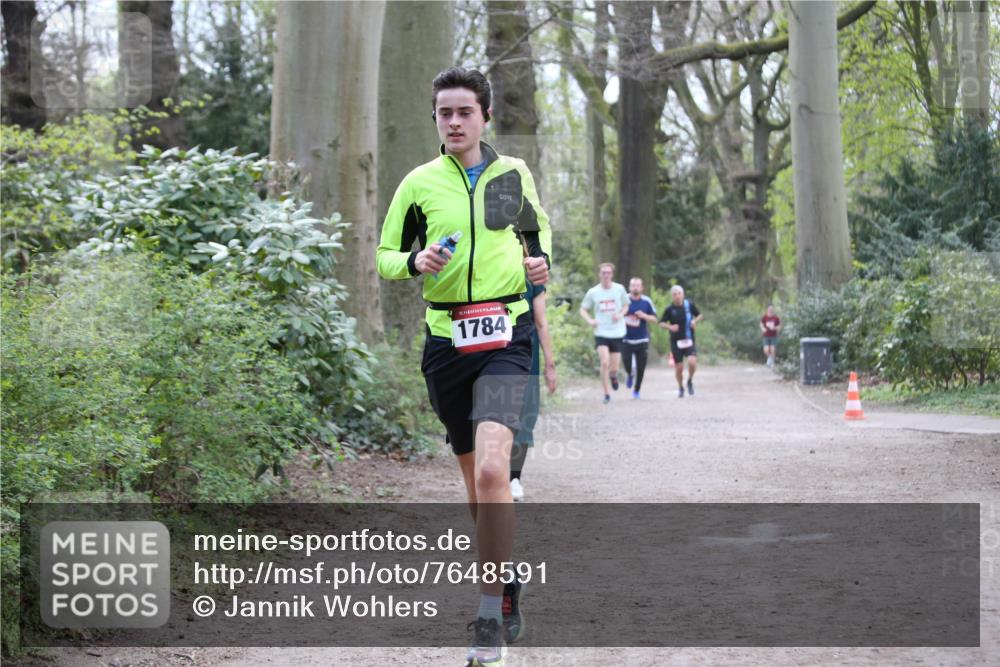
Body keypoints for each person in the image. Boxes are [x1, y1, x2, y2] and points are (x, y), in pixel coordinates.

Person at [375, 66, 550, 667]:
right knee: (477, 487)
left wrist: (540, 263)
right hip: (447, 343)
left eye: (464, 112)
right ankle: (505, 578)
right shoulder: (418, 184)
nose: (453, 121)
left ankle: (487, 614)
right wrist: (414, 261)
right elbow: (383, 256)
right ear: (436, 118)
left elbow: (535, 231)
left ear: (485, 116)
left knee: (496, 473)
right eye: (444, 112)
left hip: (507, 336)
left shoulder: (511, 174)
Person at [510, 278, 558, 502]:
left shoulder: (532, 277)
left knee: (524, 415)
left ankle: (514, 478)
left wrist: (550, 364)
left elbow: (541, 323)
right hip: (487, 348)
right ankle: (497, 476)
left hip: (525, 353)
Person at [579, 263, 629, 404]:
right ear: (599, 274)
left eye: (608, 272)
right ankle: (606, 394)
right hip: (601, 332)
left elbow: (626, 305)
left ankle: (613, 376)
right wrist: (590, 320)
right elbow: (583, 309)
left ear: (612, 274)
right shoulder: (593, 292)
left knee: (614, 367)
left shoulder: (619, 289)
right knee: (604, 362)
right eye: (603, 272)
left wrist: (620, 315)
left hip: (617, 332)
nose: (606, 275)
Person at [659, 285, 703, 398]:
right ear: (672, 297)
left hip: (689, 339)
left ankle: (690, 381)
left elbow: (700, 315)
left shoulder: (689, 305)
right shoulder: (669, 309)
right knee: (679, 368)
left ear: (683, 295)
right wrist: (671, 327)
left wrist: (694, 321)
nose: (677, 296)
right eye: (674, 294)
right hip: (676, 342)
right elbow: (661, 323)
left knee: (692, 362)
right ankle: (680, 387)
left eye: (679, 293)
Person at [622, 277, 657, 399]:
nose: (635, 287)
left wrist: (643, 315)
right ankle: (629, 374)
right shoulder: (623, 299)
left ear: (642, 288)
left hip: (642, 339)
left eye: (637, 285)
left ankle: (636, 390)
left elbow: (654, 319)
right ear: (629, 287)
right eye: (633, 285)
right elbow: (615, 315)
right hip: (625, 339)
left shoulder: (646, 301)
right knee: (627, 363)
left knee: (641, 367)